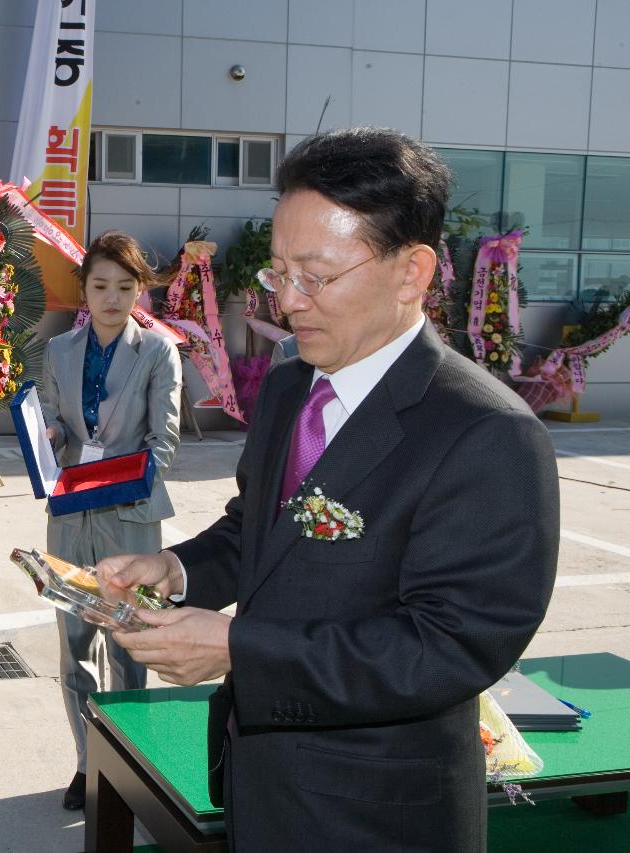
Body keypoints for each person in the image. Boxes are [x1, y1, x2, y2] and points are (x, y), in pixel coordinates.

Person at [102, 127, 559, 852]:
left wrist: (241, 649)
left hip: (379, 813)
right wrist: (179, 570)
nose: (287, 301)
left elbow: (450, 645)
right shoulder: (289, 384)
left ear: (412, 272)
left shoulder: (486, 433)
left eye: (315, 276)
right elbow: (259, 529)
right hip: (261, 782)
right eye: (278, 272)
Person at [38, 230, 182, 811]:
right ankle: (85, 763)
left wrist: (114, 478)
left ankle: (129, 763)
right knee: (75, 646)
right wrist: (49, 438)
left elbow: (163, 441)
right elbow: (54, 422)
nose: (112, 298)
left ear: (140, 290)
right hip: (70, 517)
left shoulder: (157, 351)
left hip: (130, 517)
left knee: (128, 646)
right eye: (100, 285)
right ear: (85, 289)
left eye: (126, 287)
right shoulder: (58, 352)